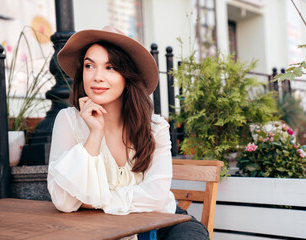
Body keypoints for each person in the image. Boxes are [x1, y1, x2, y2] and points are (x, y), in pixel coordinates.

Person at [47, 25, 209, 240]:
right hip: (99, 229)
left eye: (111, 67)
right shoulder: (68, 120)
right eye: (89, 66)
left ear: (128, 75)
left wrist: (92, 200)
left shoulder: (155, 127)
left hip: (160, 222)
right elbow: (65, 202)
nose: (97, 77)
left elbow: (156, 199)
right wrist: (95, 135)